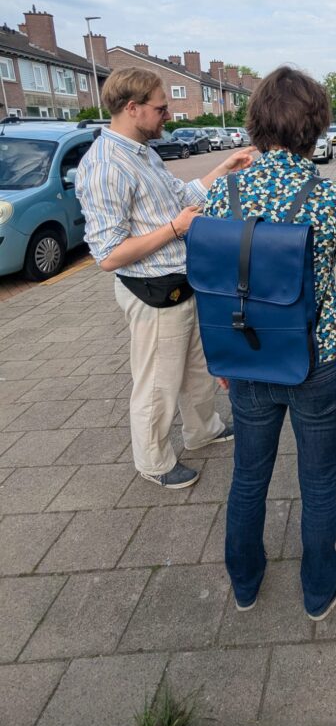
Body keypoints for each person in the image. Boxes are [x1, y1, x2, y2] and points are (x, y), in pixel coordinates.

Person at [204, 66, 336, 620]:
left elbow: (214, 281)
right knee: (318, 480)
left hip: (246, 356)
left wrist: (221, 357)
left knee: (248, 475)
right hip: (317, 360)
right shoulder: (330, 198)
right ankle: (318, 588)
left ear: (257, 121)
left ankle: (244, 582)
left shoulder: (224, 191)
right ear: (316, 126)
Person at [76, 67, 254, 489]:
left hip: (181, 283)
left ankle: (202, 429)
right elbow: (107, 254)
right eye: (160, 107)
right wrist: (174, 231)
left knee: (196, 369)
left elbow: (183, 198)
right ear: (132, 108)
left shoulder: (144, 152)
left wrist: (224, 168)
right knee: (157, 381)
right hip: (153, 292)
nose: (168, 115)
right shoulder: (104, 166)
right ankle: (153, 461)